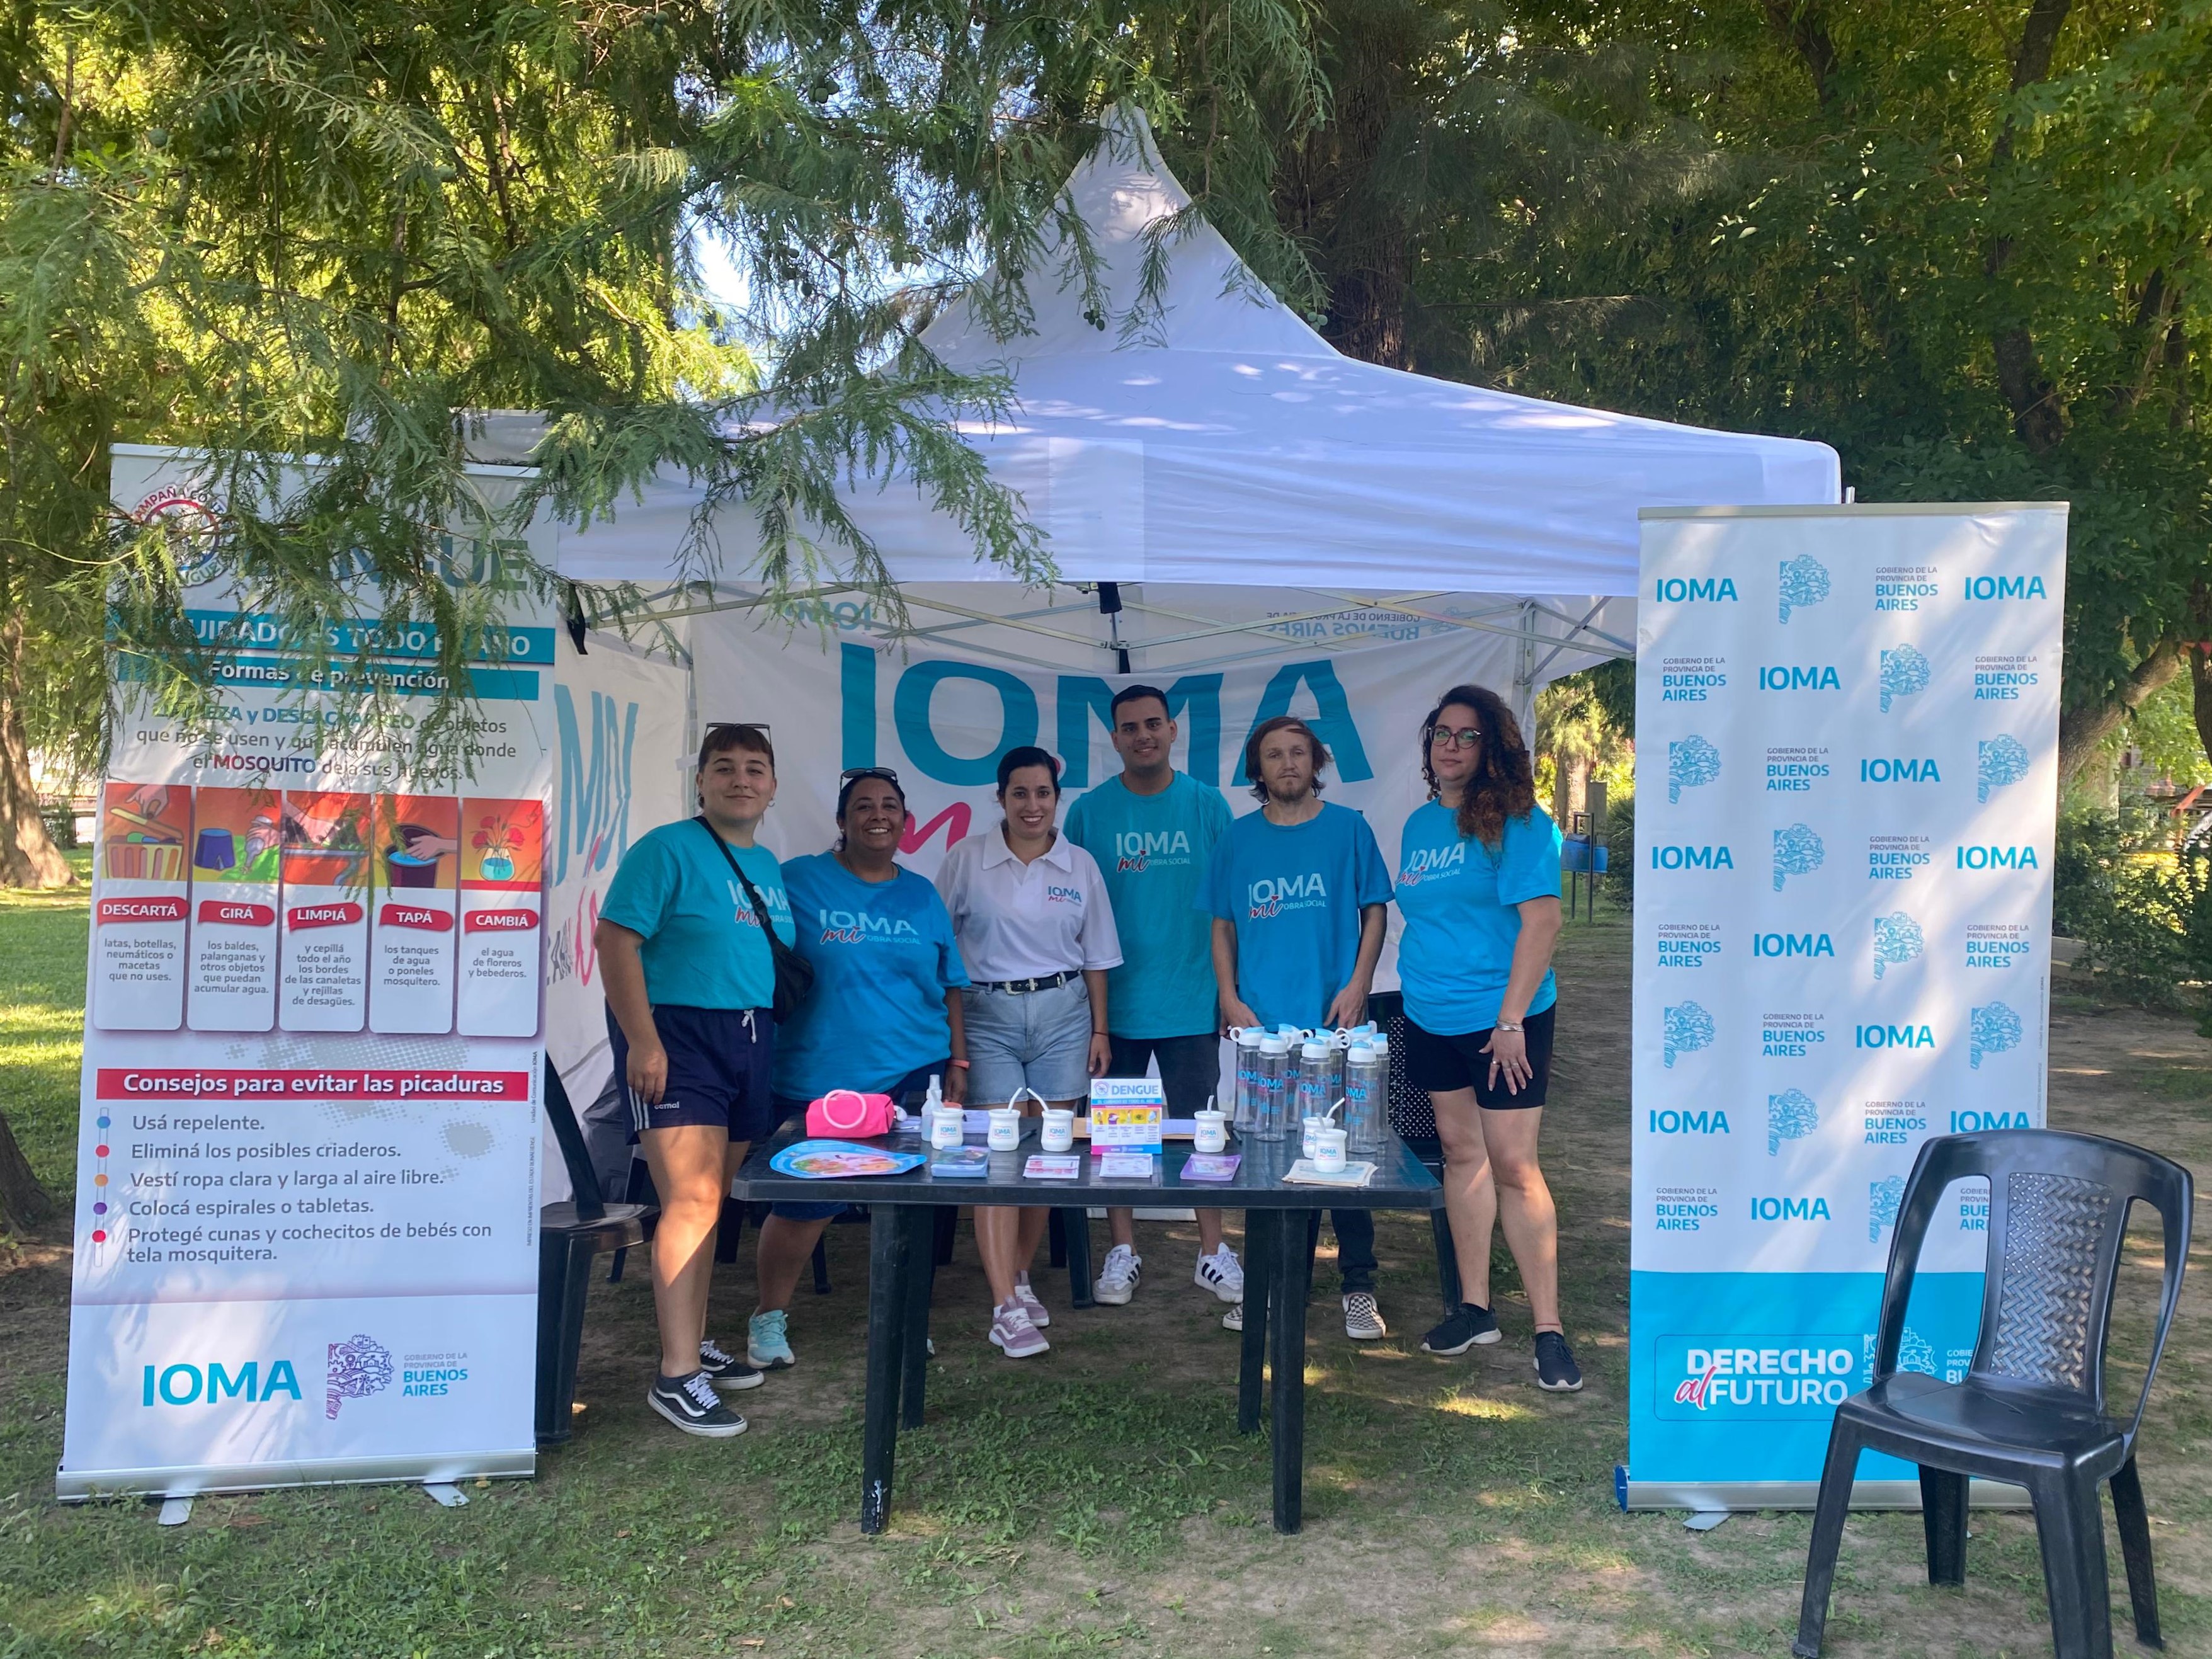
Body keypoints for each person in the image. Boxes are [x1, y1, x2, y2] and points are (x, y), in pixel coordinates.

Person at [595, 722, 794, 1436]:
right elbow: (614, 939)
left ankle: (694, 1338)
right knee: (692, 1199)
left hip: (749, 1037)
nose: (741, 779)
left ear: (772, 786)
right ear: (701, 780)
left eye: (754, 768)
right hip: (679, 1036)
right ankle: (676, 1377)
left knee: (713, 1203)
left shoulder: (766, 864)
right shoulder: (666, 848)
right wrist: (643, 1042)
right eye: (725, 767)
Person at [748, 767, 970, 1372]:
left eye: (890, 806)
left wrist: (958, 1058)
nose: (879, 815)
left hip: (914, 1072)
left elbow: (951, 983)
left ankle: (906, 1315)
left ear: (905, 821)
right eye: (865, 806)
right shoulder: (797, 880)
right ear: (842, 821)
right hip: (819, 1076)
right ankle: (768, 1316)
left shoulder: (921, 894)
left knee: (913, 1204)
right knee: (803, 1204)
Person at [1396, 685, 1580, 1391]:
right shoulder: (1419, 824)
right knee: (1460, 1154)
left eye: (1467, 735)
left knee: (1513, 1165)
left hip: (1503, 1019)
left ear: (1491, 745)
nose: (1451, 746)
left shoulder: (1518, 821)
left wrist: (1509, 1022)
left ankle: (1548, 1329)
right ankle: (1474, 1309)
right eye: (1441, 734)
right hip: (1429, 1014)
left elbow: (1543, 923)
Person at [1200, 715, 1392, 1340]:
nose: (1287, 764)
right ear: (1257, 770)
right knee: (1273, 1160)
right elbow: (1222, 924)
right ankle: (1280, 1288)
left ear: (1316, 762)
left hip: (1336, 1026)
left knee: (1346, 1156)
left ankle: (1358, 1287)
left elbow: (1374, 912)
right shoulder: (1237, 838)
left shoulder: (1349, 829)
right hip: (1264, 1035)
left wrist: (1359, 985)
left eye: (1298, 753)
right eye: (1274, 755)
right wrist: (1228, 996)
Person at [936, 746, 1121, 1357]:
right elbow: (941, 952)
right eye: (1019, 793)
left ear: (1056, 799)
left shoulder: (1079, 865)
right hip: (987, 1014)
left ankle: (1018, 1275)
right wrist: (956, 1048)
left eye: (1043, 793)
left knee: (1046, 1154)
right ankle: (1004, 1308)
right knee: (999, 1156)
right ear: (1000, 798)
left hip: (1064, 1015)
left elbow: (1097, 957)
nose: (1032, 805)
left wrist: (1099, 1030)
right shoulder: (966, 860)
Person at [1064, 686, 1241, 1310]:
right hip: (1112, 1008)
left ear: (1172, 731)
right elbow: (1071, 909)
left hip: (1192, 998)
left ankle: (1213, 1251)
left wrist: (1229, 991)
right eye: (1130, 727)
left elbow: (1230, 907)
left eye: (1153, 724)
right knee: (1119, 1137)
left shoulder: (1207, 805)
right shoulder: (1088, 813)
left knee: (1203, 1132)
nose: (1143, 735)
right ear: (1114, 739)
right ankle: (1122, 1250)